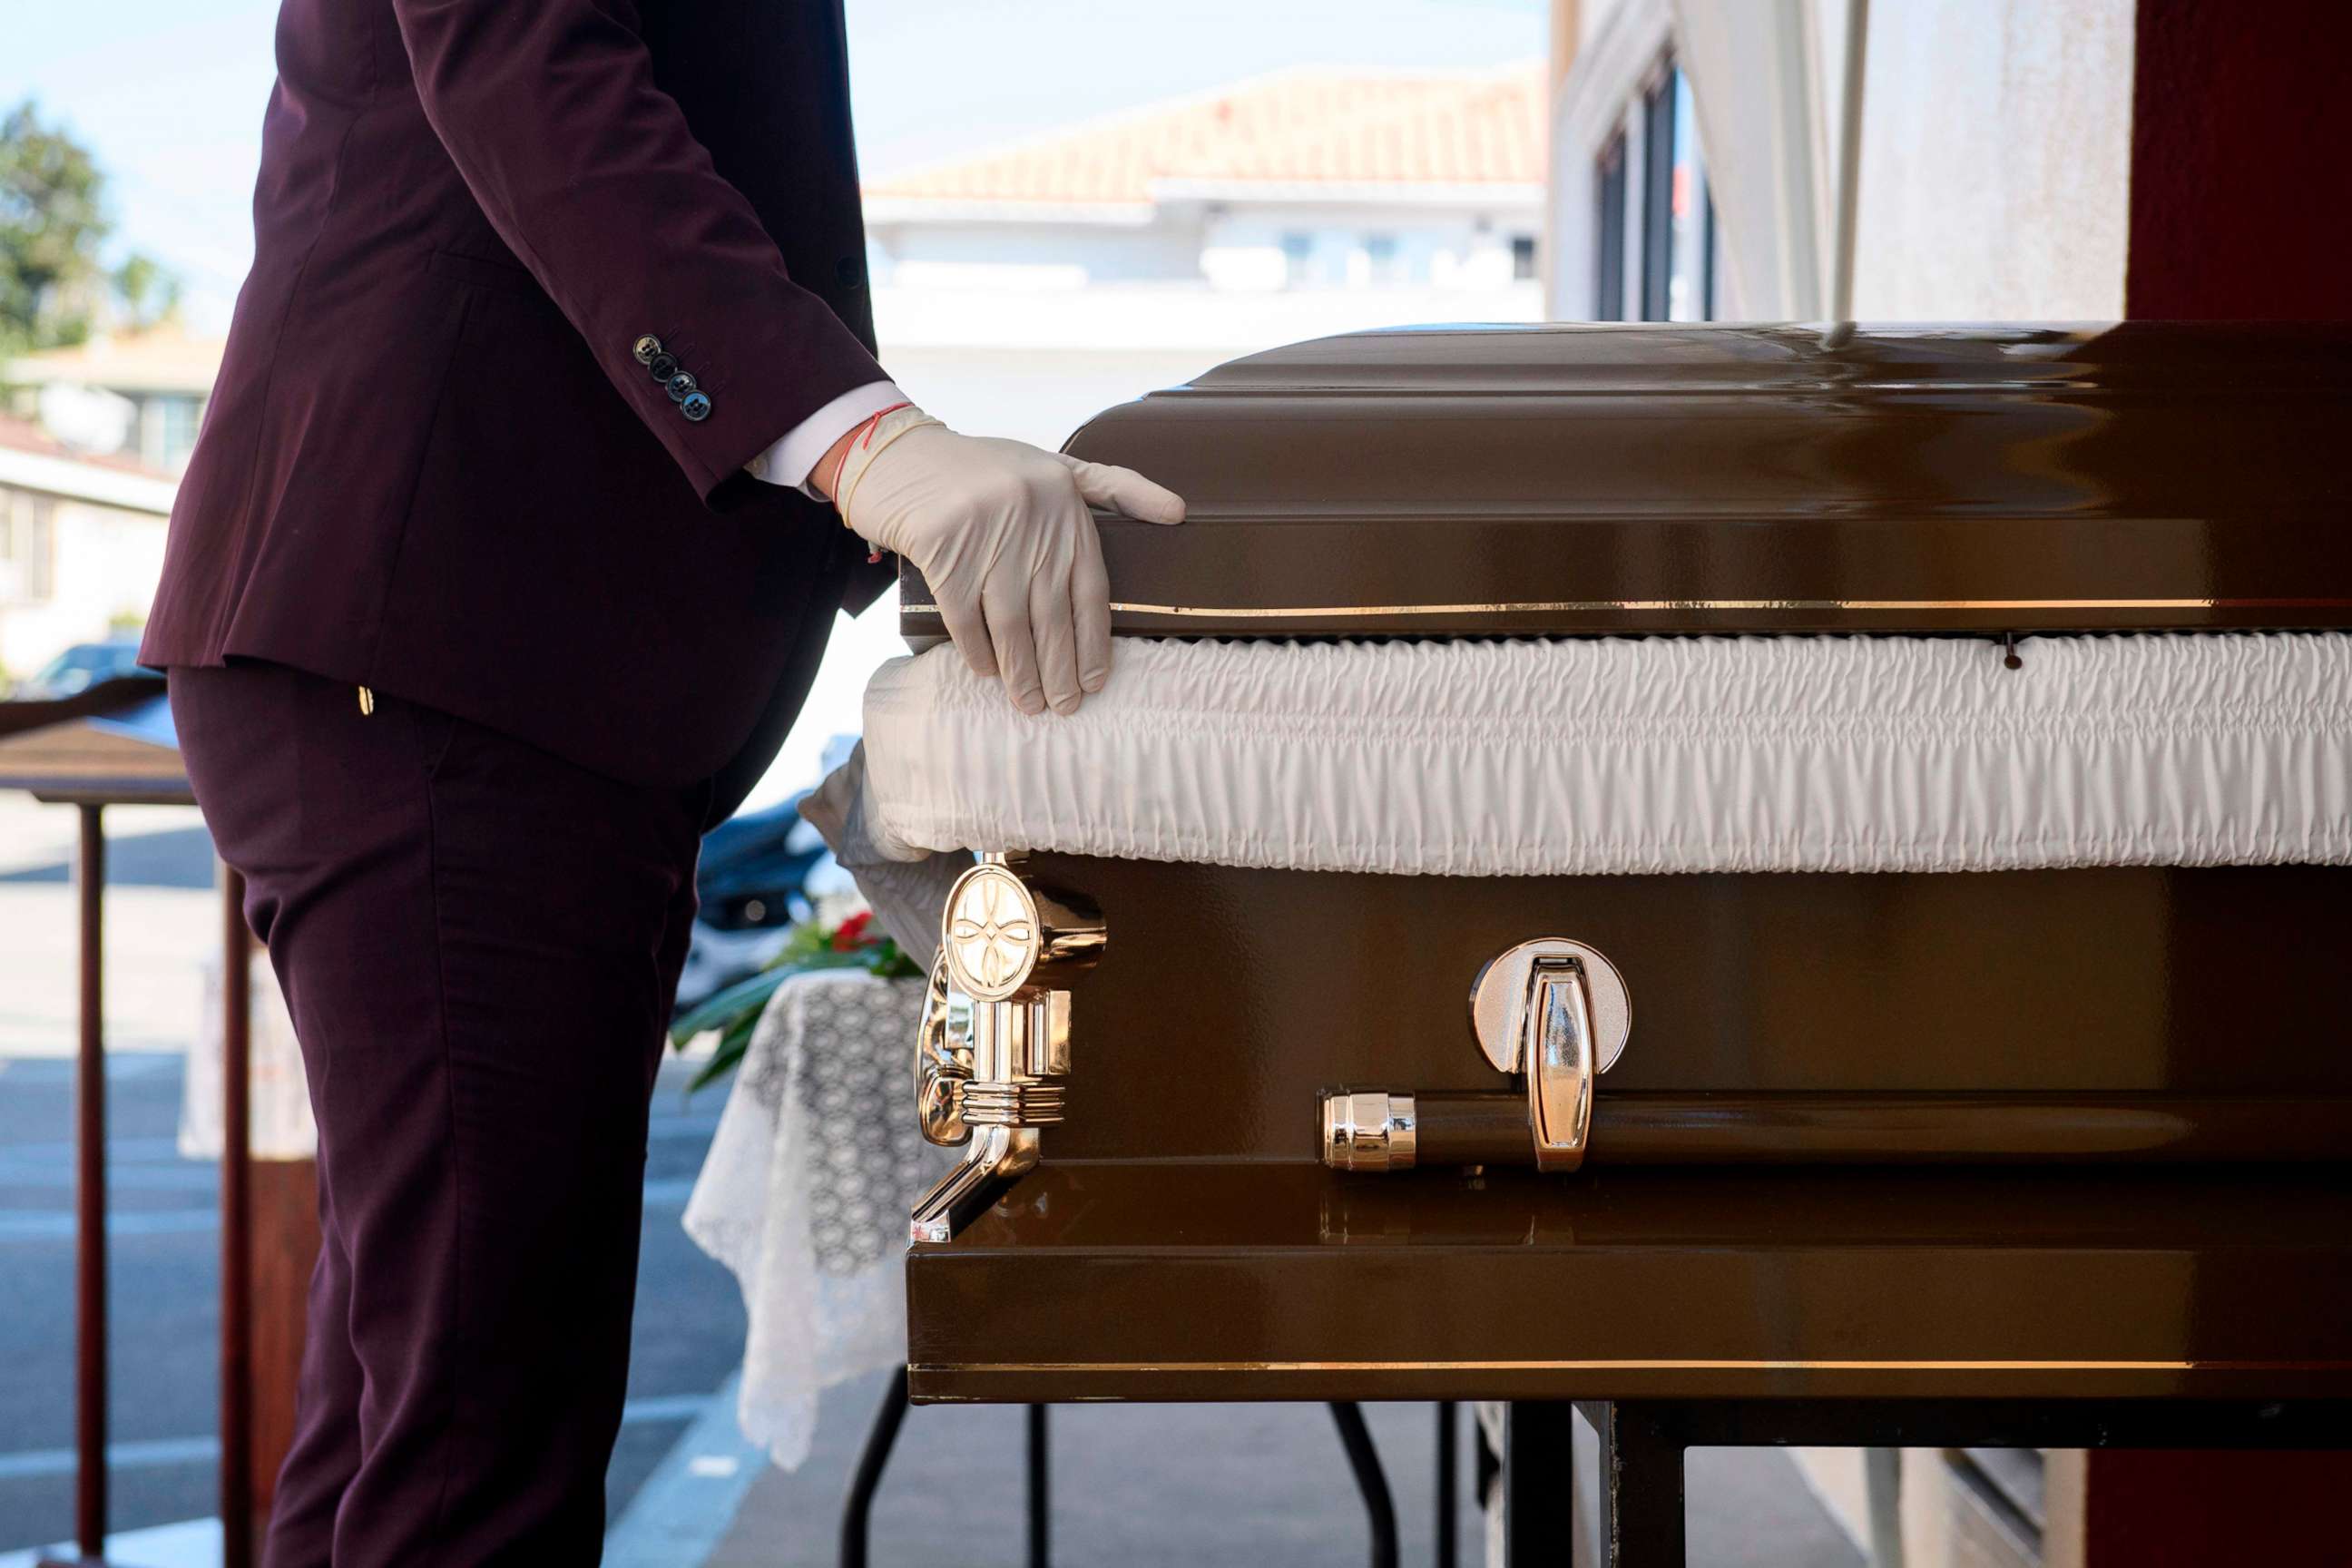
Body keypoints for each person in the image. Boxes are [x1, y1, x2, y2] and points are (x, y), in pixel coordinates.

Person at [138, 2, 1183, 1563]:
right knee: (474, 1457)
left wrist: (886, 471)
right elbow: (525, 63)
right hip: (449, 644)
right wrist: (867, 446)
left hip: (483, 662)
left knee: (418, 1429)